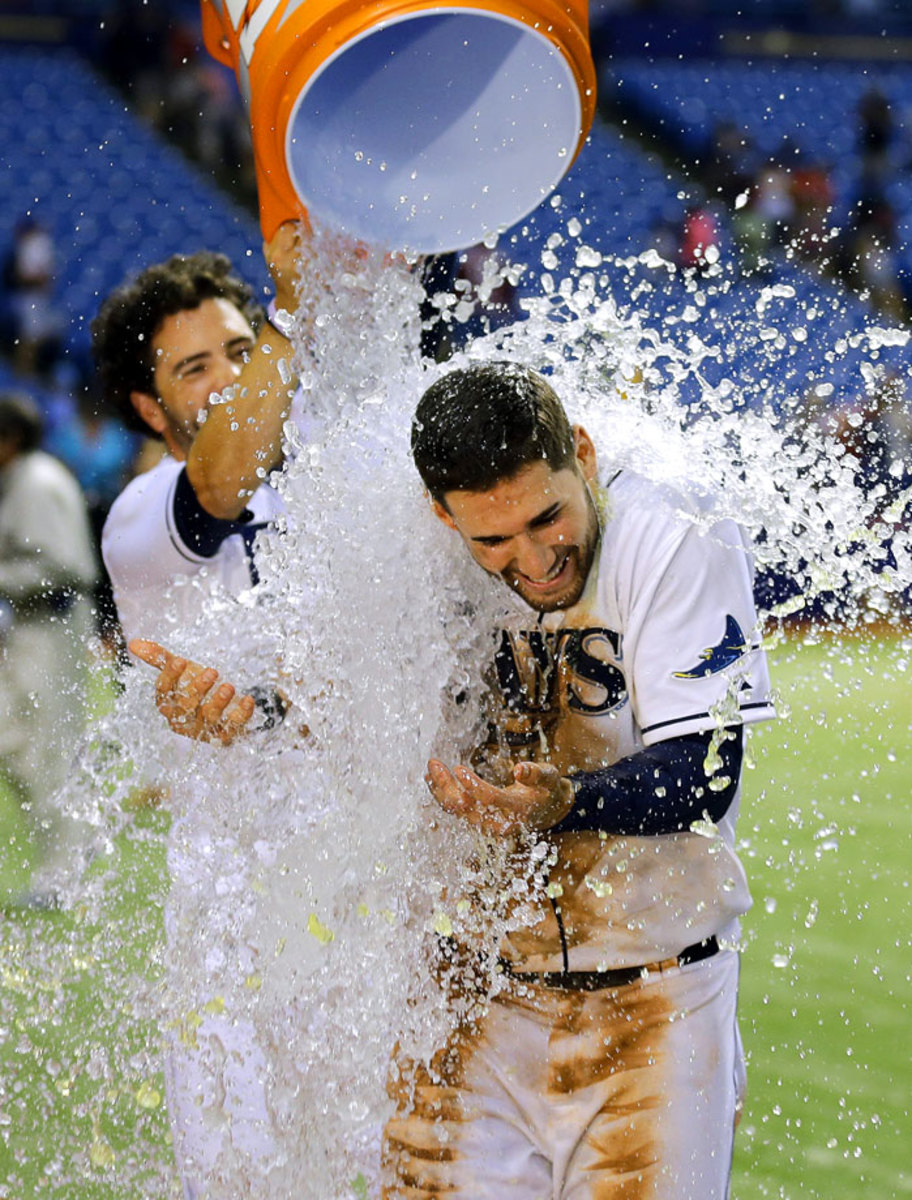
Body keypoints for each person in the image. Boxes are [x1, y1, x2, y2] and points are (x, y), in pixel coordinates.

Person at [380, 361, 777, 1199]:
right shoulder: (415, 557)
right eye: (491, 541)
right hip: (476, 992)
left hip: (655, 1003)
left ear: (584, 454)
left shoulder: (676, 533)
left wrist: (566, 801)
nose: (531, 558)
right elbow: (347, 712)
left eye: (546, 517)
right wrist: (250, 708)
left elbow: (706, 772)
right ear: (439, 514)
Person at [92, 229, 303, 1198]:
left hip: (371, 891)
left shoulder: (327, 488)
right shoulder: (141, 514)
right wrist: (288, 326)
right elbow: (219, 484)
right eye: (193, 367)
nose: (227, 376)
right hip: (236, 926)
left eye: (235, 348)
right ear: (150, 406)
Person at [0, 392, 97, 903]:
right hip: (30, 624)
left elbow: (64, 568)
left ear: (10, 440)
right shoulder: (20, 479)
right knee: (18, 742)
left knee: (48, 751)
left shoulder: (36, 482)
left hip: (54, 622)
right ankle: (73, 853)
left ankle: (64, 878)